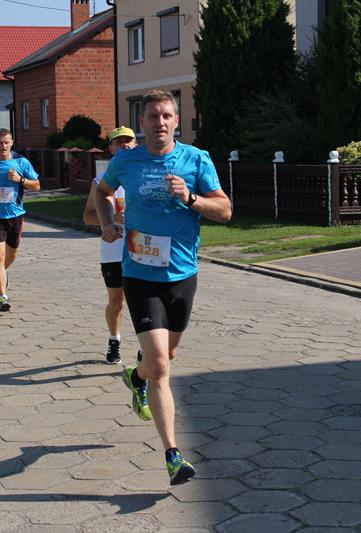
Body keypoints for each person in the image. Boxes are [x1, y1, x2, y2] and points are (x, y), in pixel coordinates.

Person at [96, 90, 232, 485]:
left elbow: (225, 210)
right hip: (139, 274)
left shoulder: (196, 159)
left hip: (182, 275)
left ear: (177, 121)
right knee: (160, 365)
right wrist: (106, 221)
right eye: (153, 116)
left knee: (166, 357)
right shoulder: (126, 161)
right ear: (142, 123)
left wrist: (190, 197)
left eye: (167, 115)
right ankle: (173, 455)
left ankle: (135, 378)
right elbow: (102, 193)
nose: (160, 122)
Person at [83, 126, 138, 364]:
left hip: (142, 249)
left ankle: (146, 346)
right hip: (113, 251)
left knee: (142, 301)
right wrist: (111, 220)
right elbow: (88, 216)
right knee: (116, 301)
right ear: (111, 148)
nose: (124, 145)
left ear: (136, 145)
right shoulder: (101, 181)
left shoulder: (144, 177)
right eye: (119, 142)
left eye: (128, 141)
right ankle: (114, 339)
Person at [0, 128, 40, 312]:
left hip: (15, 215)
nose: (3, 146)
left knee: (12, 255)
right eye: (0, 143)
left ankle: (2, 274)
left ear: (12, 143)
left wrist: (20, 180)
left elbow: (37, 186)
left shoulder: (21, 162)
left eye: (6, 142)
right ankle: (3, 297)